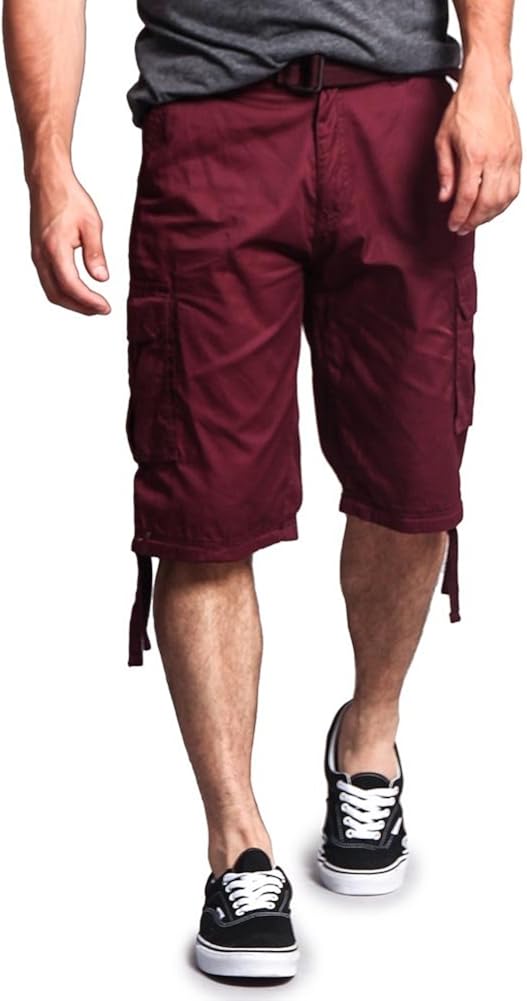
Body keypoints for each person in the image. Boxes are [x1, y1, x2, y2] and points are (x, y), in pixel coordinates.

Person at [4, 0, 521, 982]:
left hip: (398, 113)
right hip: (209, 121)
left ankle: (368, 736)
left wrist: (489, 68)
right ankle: (237, 844)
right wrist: (48, 163)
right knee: (204, 505)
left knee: (412, 477)